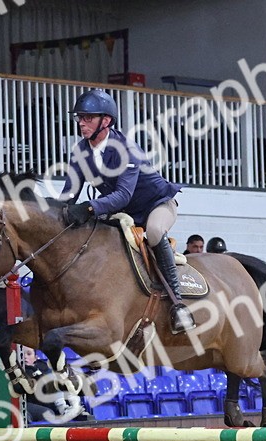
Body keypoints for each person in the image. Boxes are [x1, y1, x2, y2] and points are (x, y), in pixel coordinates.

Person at [59, 88, 194, 335]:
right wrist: (58, 213)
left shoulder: (127, 149)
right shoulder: (80, 151)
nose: (81, 122)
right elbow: (70, 194)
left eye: (88, 118)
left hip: (155, 206)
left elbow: (123, 195)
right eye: (79, 117)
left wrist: (89, 207)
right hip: (121, 212)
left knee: (153, 233)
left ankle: (178, 305)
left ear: (106, 121)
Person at [18, 347, 86, 423]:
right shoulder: (19, 372)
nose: (24, 357)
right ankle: (63, 408)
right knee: (48, 413)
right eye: (21, 354)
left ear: (35, 358)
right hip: (28, 404)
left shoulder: (44, 368)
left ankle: (70, 407)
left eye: (29, 354)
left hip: (48, 402)